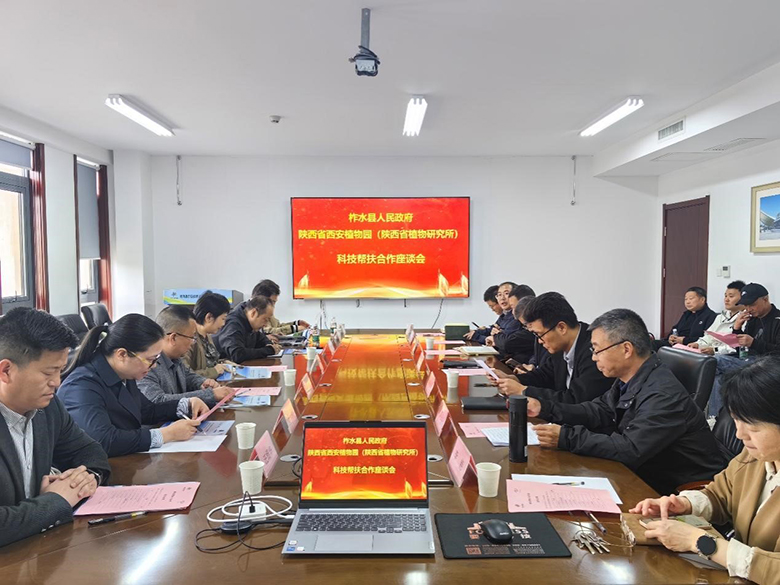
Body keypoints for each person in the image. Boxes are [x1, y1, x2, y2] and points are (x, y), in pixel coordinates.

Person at [526, 308, 727, 495]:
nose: (594, 358)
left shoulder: (663, 394)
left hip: (679, 491)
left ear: (626, 349)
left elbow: (630, 449)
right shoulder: (630, 379)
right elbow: (599, 410)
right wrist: (545, 408)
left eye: (597, 350)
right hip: (644, 474)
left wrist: (566, 437)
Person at [631, 356, 780, 584]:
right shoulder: (755, 456)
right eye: (735, 420)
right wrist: (684, 504)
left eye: (753, 427)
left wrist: (702, 543)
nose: (740, 434)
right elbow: (720, 495)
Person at [0, 308, 110, 547]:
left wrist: (85, 480)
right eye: (48, 373)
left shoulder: (48, 407)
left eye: (60, 371)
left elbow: (90, 452)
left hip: (36, 549)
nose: (57, 383)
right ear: (6, 371)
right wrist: (57, 500)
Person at [58, 314, 209, 457]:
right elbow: (104, 440)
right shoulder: (81, 386)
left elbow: (145, 410)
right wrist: (166, 434)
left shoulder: (123, 373)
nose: (154, 366)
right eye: (150, 359)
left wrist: (185, 405)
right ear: (122, 354)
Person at [496, 292, 613, 404]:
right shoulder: (561, 345)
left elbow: (575, 399)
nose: (539, 341)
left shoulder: (595, 352)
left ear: (561, 328)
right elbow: (544, 375)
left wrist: (523, 391)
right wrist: (514, 379)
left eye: (539, 334)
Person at [709, 283, 780, 417]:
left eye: (752, 304)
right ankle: (717, 419)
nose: (748, 309)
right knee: (718, 378)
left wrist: (754, 343)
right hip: (748, 360)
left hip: (769, 364)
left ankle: (715, 416)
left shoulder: (777, 320)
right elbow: (741, 348)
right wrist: (737, 329)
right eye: (746, 305)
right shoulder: (752, 320)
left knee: (715, 361)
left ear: (765, 299)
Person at [139, 306, 232, 405]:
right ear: (173, 338)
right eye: (191, 337)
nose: (193, 342)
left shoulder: (176, 357)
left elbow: (188, 376)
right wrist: (211, 395)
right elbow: (158, 401)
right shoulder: (148, 363)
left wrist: (202, 382)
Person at [213, 295, 281, 362]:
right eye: (265, 319)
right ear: (253, 313)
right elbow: (237, 354)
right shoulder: (233, 324)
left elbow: (260, 339)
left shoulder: (250, 323)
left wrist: (269, 345)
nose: (266, 325)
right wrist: (268, 350)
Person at [687, 280, 745, 355]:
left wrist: (715, 350)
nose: (726, 299)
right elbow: (709, 336)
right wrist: (698, 344)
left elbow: (738, 345)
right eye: (725, 296)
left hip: (727, 355)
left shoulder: (746, 318)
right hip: (711, 352)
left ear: (743, 298)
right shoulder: (720, 317)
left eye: (731, 296)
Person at [183, 291, 232, 379]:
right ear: (209, 317)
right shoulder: (188, 339)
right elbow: (185, 375)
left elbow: (210, 361)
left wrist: (223, 363)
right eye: (223, 319)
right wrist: (214, 371)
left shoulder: (207, 335)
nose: (223, 324)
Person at [488, 285, 536, 363]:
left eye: (514, 307)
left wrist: (496, 337)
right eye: (499, 295)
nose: (513, 312)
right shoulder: (508, 317)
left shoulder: (532, 329)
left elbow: (507, 343)